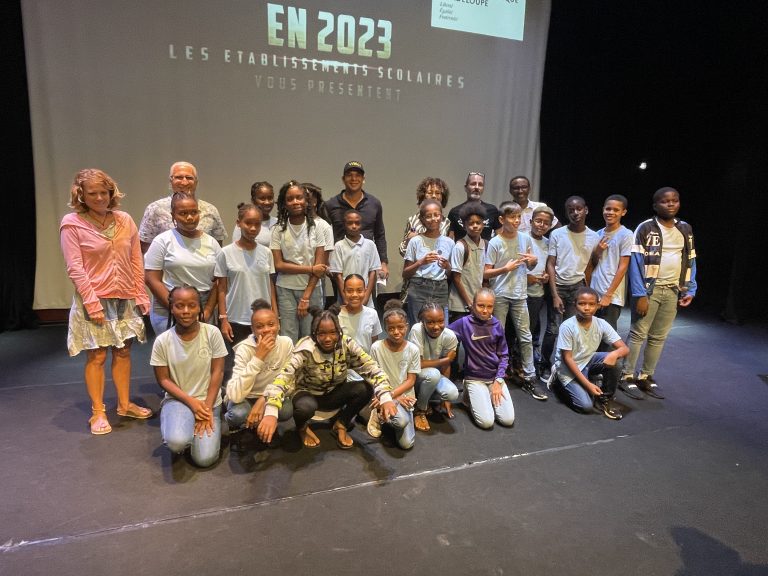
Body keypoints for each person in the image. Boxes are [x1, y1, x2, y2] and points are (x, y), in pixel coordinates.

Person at [60, 168, 153, 435]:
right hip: (95, 297)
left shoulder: (124, 220)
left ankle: (124, 404)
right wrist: (92, 303)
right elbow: (75, 268)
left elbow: (136, 259)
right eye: (93, 193)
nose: (100, 198)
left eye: (104, 192)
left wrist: (140, 293)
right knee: (97, 354)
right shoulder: (72, 223)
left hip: (124, 296)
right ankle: (98, 412)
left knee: (123, 351)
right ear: (81, 195)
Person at [258, 307, 397, 449]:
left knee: (365, 389)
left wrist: (385, 397)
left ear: (339, 331)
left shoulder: (347, 344)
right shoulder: (305, 349)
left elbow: (371, 368)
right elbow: (283, 377)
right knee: (306, 407)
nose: (328, 338)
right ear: (314, 334)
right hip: (308, 395)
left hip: (334, 393)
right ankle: (302, 427)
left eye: (333, 332)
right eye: (322, 333)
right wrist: (271, 411)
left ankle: (341, 424)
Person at [621, 187, 697, 399]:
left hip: (673, 289)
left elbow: (690, 259)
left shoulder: (685, 228)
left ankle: (645, 375)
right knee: (638, 334)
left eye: (675, 200)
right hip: (649, 291)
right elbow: (636, 263)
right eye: (665, 201)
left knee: (658, 336)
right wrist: (640, 294)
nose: (670, 204)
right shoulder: (646, 228)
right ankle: (626, 375)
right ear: (655, 205)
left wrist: (690, 288)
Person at [151, 286, 227, 467]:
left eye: (192, 305)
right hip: (180, 400)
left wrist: (206, 409)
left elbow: (218, 372)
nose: (186, 311)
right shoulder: (162, 341)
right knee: (176, 443)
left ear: (199, 307)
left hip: (208, 402)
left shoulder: (212, 333)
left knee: (205, 459)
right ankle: (180, 422)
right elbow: (163, 380)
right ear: (171, 308)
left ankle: (208, 422)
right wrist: (191, 403)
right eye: (179, 306)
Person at [483, 201, 547, 401]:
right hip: (500, 294)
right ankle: (496, 376)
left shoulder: (525, 238)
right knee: (498, 337)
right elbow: (486, 272)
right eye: (512, 217)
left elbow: (529, 266)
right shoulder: (495, 242)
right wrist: (504, 269)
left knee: (526, 337)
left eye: (519, 217)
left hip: (520, 294)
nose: (517, 221)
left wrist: (533, 261)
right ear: (502, 219)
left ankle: (529, 377)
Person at [144, 193, 221, 335]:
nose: (190, 217)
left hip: (203, 307)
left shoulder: (212, 242)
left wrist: (208, 310)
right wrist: (177, 308)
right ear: (173, 215)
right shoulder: (162, 241)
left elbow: (219, 281)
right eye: (183, 213)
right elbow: (151, 279)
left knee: (202, 348)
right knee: (171, 348)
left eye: (194, 212)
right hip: (168, 305)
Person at [549, 286, 628, 420]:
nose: (587, 308)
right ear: (575, 305)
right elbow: (568, 359)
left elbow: (624, 348)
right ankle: (559, 382)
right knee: (585, 406)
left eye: (591, 304)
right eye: (582, 304)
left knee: (617, 362)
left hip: (587, 360)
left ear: (597, 305)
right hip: (567, 368)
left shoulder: (601, 323)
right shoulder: (567, 326)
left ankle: (605, 398)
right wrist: (588, 385)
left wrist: (614, 354)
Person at [270, 180, 331, 341]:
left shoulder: (317, 227)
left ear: (306, 201)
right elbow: (278, 265)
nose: (295, 202)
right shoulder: (277, 229)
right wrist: (310, 269)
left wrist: (306, 297)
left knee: (311, 336)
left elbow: (320, 267)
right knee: (288, 337)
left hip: (312, 290)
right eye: (290, 199)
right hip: (285, 290)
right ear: (284, 203)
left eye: (299, 197)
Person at [224, 299, 293, 435]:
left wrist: (264, 399)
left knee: (286, 410)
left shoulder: (286, 343)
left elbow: (289, 381)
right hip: (246, 396)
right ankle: (236, 425)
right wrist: (258, 357)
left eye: (271, 324)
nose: (266, 330)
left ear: (279, 325)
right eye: (260, 326)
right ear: (253, 330)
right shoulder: (244, 348)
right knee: (238, 414)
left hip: (271, 394)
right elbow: (234, 395)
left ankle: (260, 424)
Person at [448, 288, 515, 429]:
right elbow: (443, 333)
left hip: (495, 378)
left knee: (507, 420)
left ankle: (483, 396)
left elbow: (504, 355)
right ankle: (470, 394)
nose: (485, 310)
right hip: (474, 378)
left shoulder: (497, 325)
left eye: (489, 306)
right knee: (486, 422)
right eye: (480, 305)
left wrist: (499, 380)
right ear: (473, 305)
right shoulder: (464, 323)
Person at [215, 203, 277, 347]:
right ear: (239, 223)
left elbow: (270, 286)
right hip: (236, 319)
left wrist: (275, 315)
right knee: (238, 359)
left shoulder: (266, 252)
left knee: (264, 357)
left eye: (257, 224)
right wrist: (223, 319)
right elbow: (221, 288)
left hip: (263, 320)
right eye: (248, 223)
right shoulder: (225, 253)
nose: (253, 228)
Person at [139, 161, 226, 253]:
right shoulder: (155, 209)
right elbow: (145, 246)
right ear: (171, 181)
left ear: (196, 182)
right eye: (179, 177)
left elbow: (217, 245)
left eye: (189, 178)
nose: (184, 182)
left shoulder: (210, 210)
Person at [325, 161, 389, 283]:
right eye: (349, 175)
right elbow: (325, 237)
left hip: (368, 265)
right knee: (342, 295)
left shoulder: (374, 203)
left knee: (368, 295)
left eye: (358, 175)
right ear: (343, 179)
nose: (354, 179)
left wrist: (383, 263)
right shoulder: (331, 205)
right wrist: (327, 262)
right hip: (341, 266)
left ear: (363, 179)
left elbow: (379, 235)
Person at [368, 301, 420, 449]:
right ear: (385, 329)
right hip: (384, 395)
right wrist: (387, 397)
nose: (396, 332)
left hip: (404, 397)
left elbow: (411, 380)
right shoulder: (376, 348)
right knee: (401, 421)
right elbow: (373, 377)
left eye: (400, 327)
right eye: (391, 328)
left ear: (407, 326)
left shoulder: (413, 349)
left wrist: (393, 396)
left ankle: (387, 417)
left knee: (407, 444)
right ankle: (379, 414)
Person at [546, 196, 600, 322]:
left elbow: (593, 264)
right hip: (558, 285)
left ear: (586, 210)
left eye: (579, 209)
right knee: (553, 327)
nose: (575, 213)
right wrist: (554, 295)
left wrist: (598, 253)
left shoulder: (594, 236)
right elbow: (550, 264)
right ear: (566, 213)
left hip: (577, 285)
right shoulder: (557, 234)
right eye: (571, 210)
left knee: (572, 324)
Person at [402, 198, 455, 327]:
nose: (433, 219)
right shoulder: (416, 241)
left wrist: (447, 267)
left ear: (441, 217)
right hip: (419, 287)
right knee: (417, 327)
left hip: (440, 288)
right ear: (422, 219)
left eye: (436, 215)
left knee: (441, 326)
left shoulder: (449, 242)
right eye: (428, 216)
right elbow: (406, 273)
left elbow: (451, 274)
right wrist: (421, 262)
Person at [407, 302, 460, 426]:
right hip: (414, 374)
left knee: (452, 393)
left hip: (432, 374)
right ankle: (421, 409)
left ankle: (427, 398)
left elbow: (446, 366)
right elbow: (418, 364)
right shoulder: (417, 330)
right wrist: (445, 360)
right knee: (434, 374)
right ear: (422, 322)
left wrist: (444, 399)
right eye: (430, 322)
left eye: (441, 321)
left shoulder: (450, 336)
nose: (436, 327)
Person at [589, 195, 633, 332]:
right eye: (608, 209)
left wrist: (608, 295)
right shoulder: (598, 234)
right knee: (592, 333)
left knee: (607, 334)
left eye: (616, 210)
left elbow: (623, 266)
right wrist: (598, 251)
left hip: (611, 295)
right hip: (594, 291)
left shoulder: (626, 234)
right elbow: (593, 263)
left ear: (623, 212)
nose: (611, 212)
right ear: (603, 209)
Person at [526, 205, 556, 380]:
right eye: (538, 221)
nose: (541, 225)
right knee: (515, 330)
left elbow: (549, 265)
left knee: (531, 328)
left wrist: (545, 277)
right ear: (531, 221)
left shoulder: (548, 243)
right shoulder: (522, 238)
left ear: (550, 226)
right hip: (518, 292)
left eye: (546, 223)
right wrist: (527, 277)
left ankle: (528, 361)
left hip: (537, 293)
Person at [329, 210, 381, 308]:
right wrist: (345, 299)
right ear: (344, 225)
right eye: (350, 223)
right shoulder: (339, 246)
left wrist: (366, 297)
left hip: (365, 297)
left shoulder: (370, 245)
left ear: (362, 224)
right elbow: (338, 275)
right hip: (346, 298)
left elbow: (372, 273)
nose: (354, 226)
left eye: (357, 223)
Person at [398, 177, 451, 257]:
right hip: (417, 263)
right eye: (430, 193)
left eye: (437, 193)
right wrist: (408, 241)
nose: (434, 196)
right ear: (423, 196)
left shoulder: (447, 223)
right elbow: (403, 252)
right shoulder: (413, 220)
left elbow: (450, 251)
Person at [335, 274, 381, 355]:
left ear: (365, 291)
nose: (354, 295)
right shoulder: (336, 316)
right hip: (343, 360)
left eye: (359, 291)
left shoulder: (372, 314)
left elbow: (374, 342)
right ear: (344, 292)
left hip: (366, 360)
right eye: (350, 291)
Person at [447, 172, 501, 241]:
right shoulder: (454, 212)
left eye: (480, 185)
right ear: (465, 188)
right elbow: (449, 240)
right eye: (473, 184)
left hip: (485, 247)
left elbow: (500, 238)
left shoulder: (492, 210)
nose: (477, 187)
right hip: (462, 247)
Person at [231, 181, 277, 246]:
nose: (267, 202)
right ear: (253, 201)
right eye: (262, 198)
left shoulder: (278, 222)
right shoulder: (245, 224)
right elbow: (237, 248)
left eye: (270, 198)